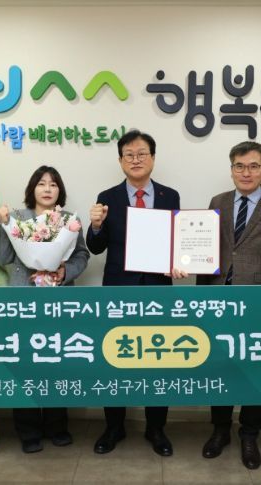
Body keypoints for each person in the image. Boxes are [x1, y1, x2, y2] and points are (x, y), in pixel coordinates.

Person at [197, 141, 261, 469]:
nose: (246, 172)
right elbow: (205, 248)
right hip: (219, 299)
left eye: (254, 166)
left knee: (254, 371)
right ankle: (220, 430)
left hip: (258, 301)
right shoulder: (219, 201)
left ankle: (249, 434)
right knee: (221, 367)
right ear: (232, 170)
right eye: (240, 166)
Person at [86, 129, 180, 457]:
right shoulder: (107, 197)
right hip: (118, 290)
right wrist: (96, 225)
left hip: (158, 290)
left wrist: (179, 261)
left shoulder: (170, 196)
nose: (136, 159)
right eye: (129, 154)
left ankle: (156, 428)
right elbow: (95, 248)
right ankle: (114, 427)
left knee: (159, 359)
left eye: (142, 154)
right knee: (115, 357)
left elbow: (176, 241)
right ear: (120, 160)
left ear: (153, 158)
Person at [0, 165, 89, 453]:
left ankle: (58, 427)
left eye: (53, 184)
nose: (47, 189)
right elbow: (0, 257)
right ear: (32, 188)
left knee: (58, 363)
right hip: (23, 303)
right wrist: (2, 223)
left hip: (59, 303)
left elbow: (82, 255)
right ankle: (28, 431)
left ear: (60, 191)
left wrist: (65, 271)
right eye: (42, 183)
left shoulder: (69, 220)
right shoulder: (17, 218)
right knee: (26, 365)